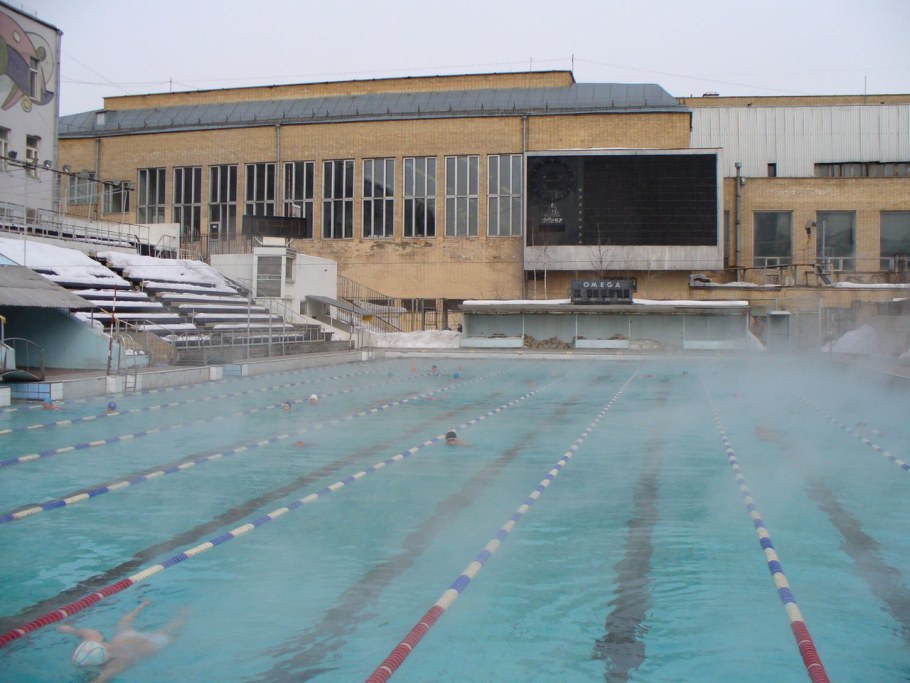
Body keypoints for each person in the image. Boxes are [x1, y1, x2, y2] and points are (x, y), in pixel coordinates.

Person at [57, 600, 185, 683]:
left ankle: (180, 614)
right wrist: (71, 630)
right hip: (131, 638)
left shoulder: (112, 666)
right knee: (125, 623)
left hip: (146, 644)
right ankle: (144, 607)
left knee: (171, 629)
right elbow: (87, 633)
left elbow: (98, 681)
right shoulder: (99, 645)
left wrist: (72, 631)